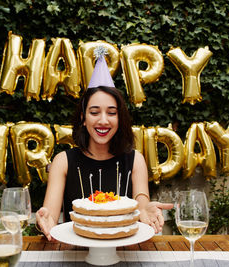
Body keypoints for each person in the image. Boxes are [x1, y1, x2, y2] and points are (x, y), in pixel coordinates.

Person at [35, 47, 173, 241]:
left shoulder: (135, 160)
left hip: (125, 252)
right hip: (75, 253)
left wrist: (146, 210)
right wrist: (44, 222)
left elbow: (142, 203)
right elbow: (48, 214)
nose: (103, 120)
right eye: (94, 112)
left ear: (120, 117)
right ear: (83, 118)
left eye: (111, 112)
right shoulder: (63, 161)